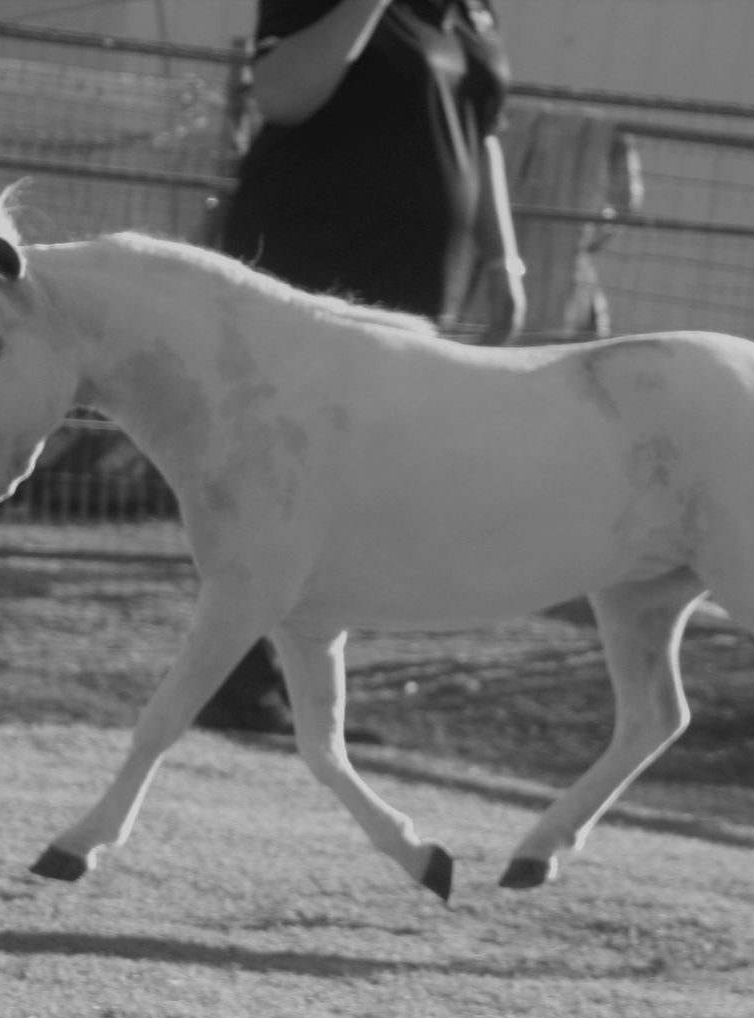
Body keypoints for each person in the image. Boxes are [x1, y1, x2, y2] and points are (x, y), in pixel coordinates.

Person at [196, 0, 527, 734]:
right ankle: (238, 678)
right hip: (310, 266)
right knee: (279, 474)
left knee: (354, 491)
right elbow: (281, 95)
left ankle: (303, 693)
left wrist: (504, 257)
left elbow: (483, 135)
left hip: (412, 286)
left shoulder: (474, 11)